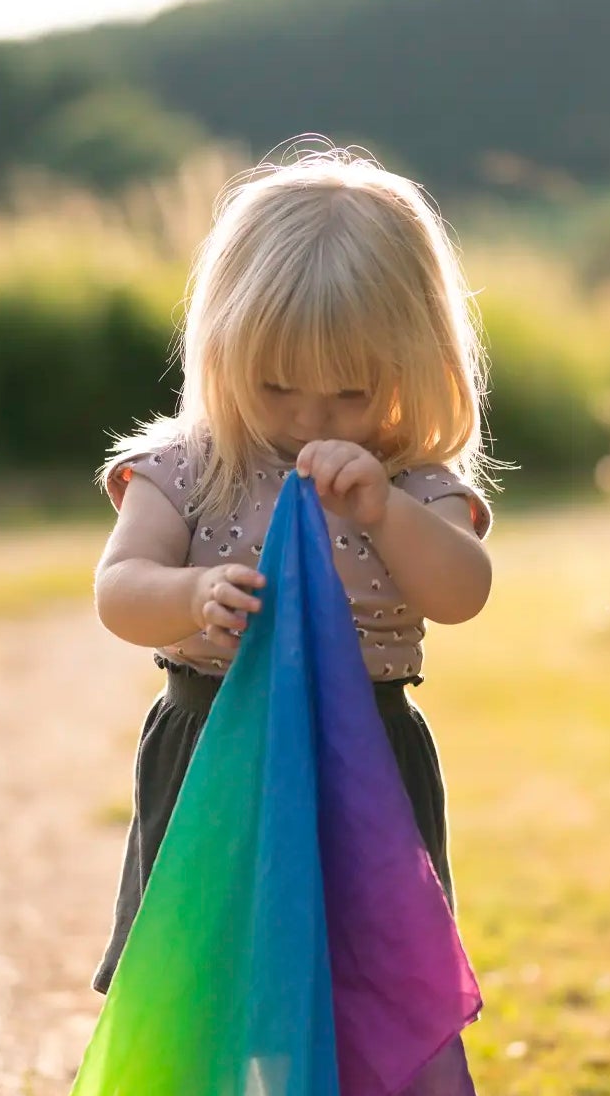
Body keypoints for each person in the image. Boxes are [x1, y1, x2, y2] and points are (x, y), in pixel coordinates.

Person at [91, 146, 497, 993]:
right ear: (224, 350)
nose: (311, 416)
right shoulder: (193, 467)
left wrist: (384, 511)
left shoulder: (413, 485)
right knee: (205, 986)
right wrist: (191, 596)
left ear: (413, 365)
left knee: (358, 992)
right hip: (215, 756)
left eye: (349, 393)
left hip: (365, 763)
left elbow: (464, 594)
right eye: (277, 386)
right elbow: (119, 593)